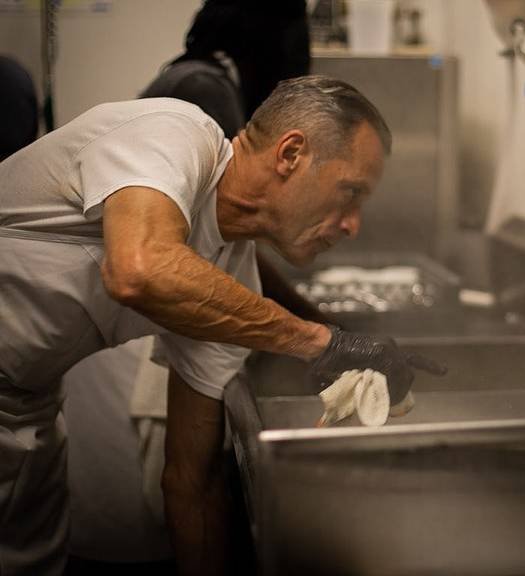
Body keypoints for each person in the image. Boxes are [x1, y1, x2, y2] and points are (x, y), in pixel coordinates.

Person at [0, 75, 441, 576]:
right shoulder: (171, 132)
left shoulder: (232, 280)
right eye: (351, 192)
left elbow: (192, 481)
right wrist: (322, 342)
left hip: (28, 417)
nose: (353, 224)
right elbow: (140, 269)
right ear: (291, 154)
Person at [62, 3, 316, 571]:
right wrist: (315, 323)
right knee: (144, 516)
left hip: (133, 320)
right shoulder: (202, 95)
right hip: (138, 329)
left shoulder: (192, 73)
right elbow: (211, 238)